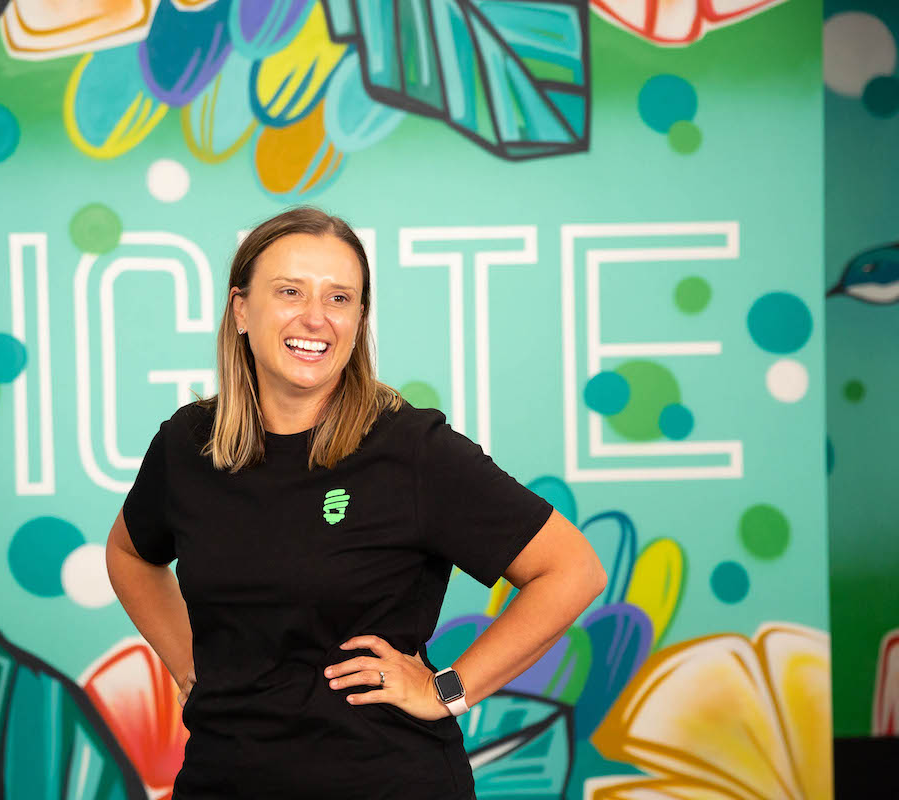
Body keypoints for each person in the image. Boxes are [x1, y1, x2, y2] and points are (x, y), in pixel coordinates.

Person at [105, 206, 606, 799]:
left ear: (359, 318)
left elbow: (572, 569)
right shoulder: (189, 445)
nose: (315, 317)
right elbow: (129, 553)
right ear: (240, 308)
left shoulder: (410, 449)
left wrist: (447, 689)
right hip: (222, 780)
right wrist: (191, 667)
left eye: (339, 298)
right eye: (290, 291)